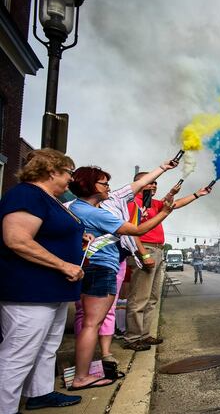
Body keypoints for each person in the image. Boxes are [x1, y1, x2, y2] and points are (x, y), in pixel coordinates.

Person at [67, 166, 175, 390]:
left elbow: (136, 186)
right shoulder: (95, 212)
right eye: (104, 183)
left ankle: (83, 371)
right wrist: (165, 213)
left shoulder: (74, 207)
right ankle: (82, 376)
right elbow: (135, 230)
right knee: (91, 323)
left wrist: (164, 167)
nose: (109, 187)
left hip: (91, 267)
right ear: (90, 186)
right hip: (101, 268)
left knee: (87, 320)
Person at [0, 149, 84, 411]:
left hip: (52, 291)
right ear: (51, 171)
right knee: (18, 354)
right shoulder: (26, 194)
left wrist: (77, 239)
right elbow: (16, 239)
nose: (71, 179)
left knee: (47, 347)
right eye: (69, 172)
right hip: (30, 290)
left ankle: (40, 393)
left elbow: (49, 231)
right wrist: (62, 264)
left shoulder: (49, 199)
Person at [123, 173, 212, 351]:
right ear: (139, 183)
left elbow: (175, 204)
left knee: (153, 297)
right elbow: (129, 232)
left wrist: (197, 194)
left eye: (156, 183)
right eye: (150, 183)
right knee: (139, 297)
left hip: (158, 250)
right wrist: (144, 254)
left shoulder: (154, 203)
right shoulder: (132, 203)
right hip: (145, 250)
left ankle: (145, 335)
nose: (154, 186)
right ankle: (132, 338)